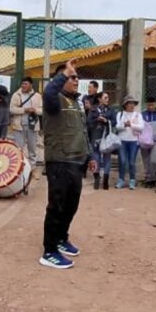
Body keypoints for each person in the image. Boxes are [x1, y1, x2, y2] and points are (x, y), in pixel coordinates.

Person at [40, 60, 96, 270]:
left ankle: (61, 238)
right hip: (59, 161)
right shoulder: (54, 100)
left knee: (71, 205)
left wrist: (90, 156)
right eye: (72, 77)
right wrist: (64, 73)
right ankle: (49, 251)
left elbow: (83, 131)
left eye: (77, 77)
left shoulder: (77, 103)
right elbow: (48, 92)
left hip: (76, 161)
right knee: (57, 206)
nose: (76, 80)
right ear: (60, 78)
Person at [10, 77, 42, 166]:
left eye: (26, 84)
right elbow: (12, 109)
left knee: (32, 148)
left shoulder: (37, 96)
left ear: (31, 85)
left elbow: (42, 110)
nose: (23, 86)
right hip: (18, 126)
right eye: (22, 84)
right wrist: (24, 110)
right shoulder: (16, 95)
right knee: (18, 148)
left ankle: (32, 166)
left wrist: (35, 110)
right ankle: (19, 166)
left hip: (33, 126)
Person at [114, 95, 144, 189]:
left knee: (131, 162)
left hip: (133, 141)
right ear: (125, 105)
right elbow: (117, 127)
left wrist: (131, 125)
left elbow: (141, 127)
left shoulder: (138, 115)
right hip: (122, 140)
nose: (132, 105)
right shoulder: (120, 114)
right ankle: (121, 180)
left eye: (133, 103)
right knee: (122, 161)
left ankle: (132, 180)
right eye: (130, 103)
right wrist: (124, 125)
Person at [87, 91, 114, 190]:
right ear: (99, 99)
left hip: (106, 136)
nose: (107, 99)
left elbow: (115, 122)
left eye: (108, 98)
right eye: (105, 98)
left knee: (107, 157)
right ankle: (96, 177)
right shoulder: (93, 109)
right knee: (95, 158)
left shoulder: (111, 110)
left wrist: (106, 121)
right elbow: (88, 123)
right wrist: (97, 120)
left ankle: (106, 180)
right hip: (95, 136)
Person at [139, 96, 156, 188]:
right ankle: (148, 179)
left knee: (153, 160)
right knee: (146, 161)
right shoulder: (142, 114)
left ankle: (153, 178)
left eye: (152, 105)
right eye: (148, 105)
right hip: (145, 141)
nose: (150, 107)